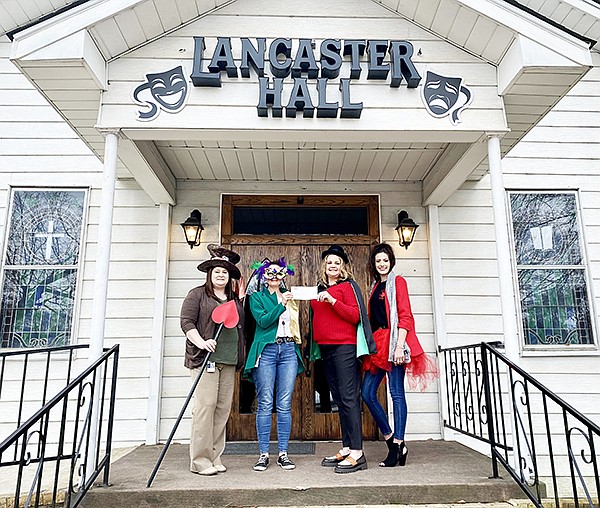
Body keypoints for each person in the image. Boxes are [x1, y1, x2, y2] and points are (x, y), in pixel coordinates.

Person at [361, 242, 439, 467]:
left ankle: (399, 440)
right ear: (374, 265)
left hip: (395, 343)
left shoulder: (398, 282)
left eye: (385, 260)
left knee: (396, 393)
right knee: (367, 393)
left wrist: (399, 346)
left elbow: (405, 316)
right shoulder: (376, 286)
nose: (382, 264)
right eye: (378, 261)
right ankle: (392, 442)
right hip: (378, 344)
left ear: (391, 262)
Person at [309, 244, 376, 474]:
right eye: (329, 262)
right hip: (326, 348)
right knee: (338, 398)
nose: (333, 266)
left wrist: (333, 301)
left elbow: (356, 315)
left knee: (349, 398)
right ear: (324, 266)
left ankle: (358, 453)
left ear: (343, 266)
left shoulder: (348, 286)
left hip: (345, 347)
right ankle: (347, 447)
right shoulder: (318, 288)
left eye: (337, 262)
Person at [180, 244, 245, 476]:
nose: (220, 275)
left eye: (225, 272)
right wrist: (201, 342)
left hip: (228, 360)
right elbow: (186, 322)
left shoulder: (235, 299)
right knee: (205, 408)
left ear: (229, 277)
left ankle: (215, 455)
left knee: (221, 409)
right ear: (210, 273)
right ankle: (200, 460)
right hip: (205, 359)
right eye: (217, 271)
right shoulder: (197, 294)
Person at [243, 258, 304, 472]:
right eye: (270, 273)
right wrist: (281, 305)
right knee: (265, 402)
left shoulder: (290, 296)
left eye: (278, 273)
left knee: (285, 403)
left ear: (284, 275)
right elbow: (263, 321)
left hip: (288, 349)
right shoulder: (257, 298)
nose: (274, 276)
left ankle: (283, 454)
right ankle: (263, 454)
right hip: (267, 350)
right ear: (263, 276)